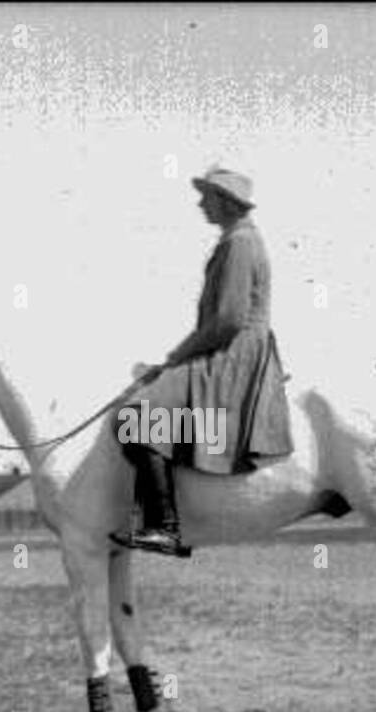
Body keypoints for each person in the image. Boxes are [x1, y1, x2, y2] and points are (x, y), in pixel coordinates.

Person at [109, 167, 294, 557]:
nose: (199, 203)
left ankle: (164, 527)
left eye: (206, 197)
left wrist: (175, 358)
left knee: (137, 413)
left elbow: (226, 320)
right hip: (231, 347)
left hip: (235, 352)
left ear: (225, 201)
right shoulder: (238, 239)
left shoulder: (240, 243)